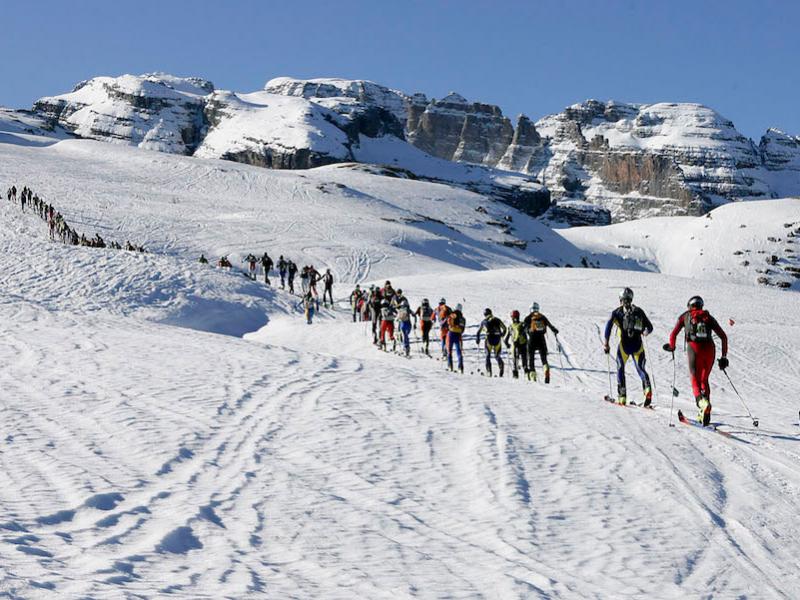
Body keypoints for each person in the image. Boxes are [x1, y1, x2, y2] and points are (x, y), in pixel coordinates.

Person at [663, 295, 728, 426]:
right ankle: (705, 414)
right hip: (710, 349)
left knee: (694, 379)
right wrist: (724, 357)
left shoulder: (685, 316)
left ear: (689, 306)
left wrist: (672, 346)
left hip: (694, 348)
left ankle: (702, 404)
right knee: (704, 380)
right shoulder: (707, 317)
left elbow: (674, 333)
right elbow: (723, 336)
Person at [603, 288, 653, 405]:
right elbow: (650, 327)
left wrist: (606, 344)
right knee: (641, 369)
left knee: (620, 368)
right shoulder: (639, 311)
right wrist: (645, 332)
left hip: (624, 346)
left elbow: (608, 328)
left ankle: (622, 397)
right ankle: (647, 390)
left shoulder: (617, 312)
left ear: (620, 299)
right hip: (638, 345)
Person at [523, 302, 560, 384]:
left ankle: (533, 377)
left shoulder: (529, 317)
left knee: (531, 360)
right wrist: (555, 331)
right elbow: (551, 326)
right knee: (544, 359)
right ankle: (546, 370)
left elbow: (522, 327)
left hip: (532, 340)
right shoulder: (542, 317)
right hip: (541, 340)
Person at [476, 308, 507, 377]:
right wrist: (502, 334)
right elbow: (504, 328)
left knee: (488, 355)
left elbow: (478, 332)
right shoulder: (497, 319)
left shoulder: (484, 321)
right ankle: (501, 367)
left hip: (489, 339)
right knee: (497, 356)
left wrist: (477, 339)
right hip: (497, 338)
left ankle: (489, 372)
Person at [504, 310, 529, 379]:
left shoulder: (510, 327)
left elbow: (506, 339)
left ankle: (515, 376)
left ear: (512, 317)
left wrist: (507, 344)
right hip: (523, 345)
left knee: (515, 362)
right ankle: (527, 376)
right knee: (525, 362)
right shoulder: (522, 324)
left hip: (515, 346)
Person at [446, 303, 466, 373]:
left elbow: (448, 322)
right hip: (458, 335)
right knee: (459, 351)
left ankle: (450, 366)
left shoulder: (452, 314)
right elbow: (463, 329)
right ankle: (460, 367)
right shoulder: (463, 318)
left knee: (449, 351)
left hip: (451, 333)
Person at [394, 290, 413, 356]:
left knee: (403, 335)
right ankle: (407, 348)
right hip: (408, 323)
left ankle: (405, 348)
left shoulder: (400, 309)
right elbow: (414, 314)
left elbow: (397, 318)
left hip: (402, 324)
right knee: (406, 336)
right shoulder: (408, 309)